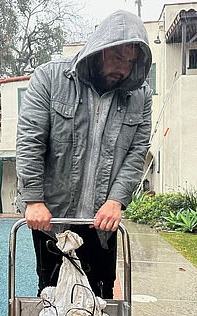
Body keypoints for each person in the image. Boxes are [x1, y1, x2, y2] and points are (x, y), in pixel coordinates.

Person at [15, 9, 153, 299]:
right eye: (118, 58)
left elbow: (136, 152)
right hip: (51, 218)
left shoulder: (140, 96)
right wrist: (34, 200)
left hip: (102, 220)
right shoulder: (50, 78)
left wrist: (116, 201)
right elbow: (30, 141)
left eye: (131, 62)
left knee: (100, 296)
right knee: (52, 296)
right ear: (99, 49)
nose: (124, 69)